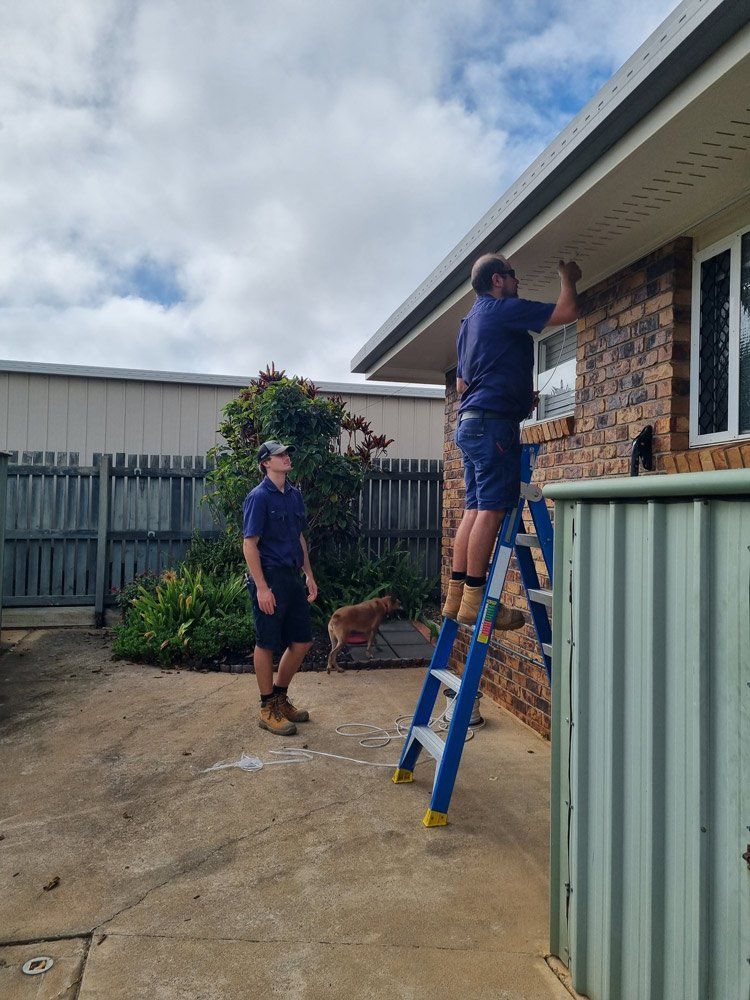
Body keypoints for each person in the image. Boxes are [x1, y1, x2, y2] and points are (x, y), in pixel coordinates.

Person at [443, 255, 581, 626]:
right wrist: (567, 277)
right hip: (492, 427)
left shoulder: (467, 323)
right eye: (512, 275)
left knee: (474, 509)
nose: (517, 280)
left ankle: (457, 597)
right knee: (490, 509)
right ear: (497, 281)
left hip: (470, 423)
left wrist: (517, 396)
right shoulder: (501, 310)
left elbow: (462, 384)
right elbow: (567, 311)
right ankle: (475, 600)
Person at [243, 440, 318, 736]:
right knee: (267, 642)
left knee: (302, 641)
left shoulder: (294, 495)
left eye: (288, 453)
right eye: (280, 455)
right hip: (270, 578)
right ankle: (266, 708)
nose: (287, 458)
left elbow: (299, 537)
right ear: (265, 462)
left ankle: (280, 698)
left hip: (292, 577)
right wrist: (261, 587)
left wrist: (309, 574)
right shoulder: (258, 497)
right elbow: (249, 545)